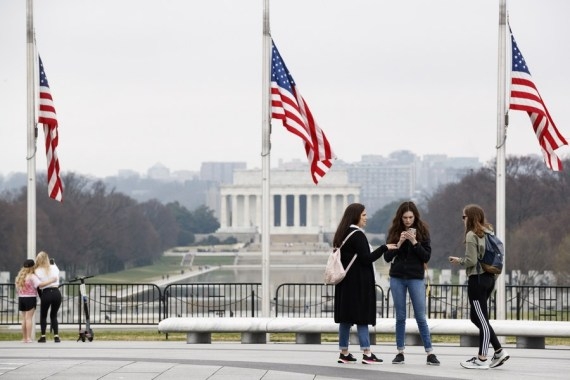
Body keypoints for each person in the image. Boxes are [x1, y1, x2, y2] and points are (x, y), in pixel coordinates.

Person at [333, 203, 397, 364]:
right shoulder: (357, 235)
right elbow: (366, 258)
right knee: (362, 317)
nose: (366, 218)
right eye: (363, 215)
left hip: (345, 282)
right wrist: (384, 248)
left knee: (346, 319)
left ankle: (344, 353)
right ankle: (367, 353)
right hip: (358, 283)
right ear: (355, 216)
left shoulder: (342, 233)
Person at [448, 204, 510, 369]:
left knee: (482, 320)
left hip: (477, 279)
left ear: (470, 217)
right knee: (476, 318)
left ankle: (482, 358)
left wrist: (458, 260)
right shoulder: (489, 232)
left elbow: (471, 261)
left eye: (464, 216)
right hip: (489, 279)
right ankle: (498, 351)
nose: (463, 220)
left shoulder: (471, 235)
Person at [383, 201, 440, 366]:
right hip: (397, 277)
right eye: (405, 218)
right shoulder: (394, 231)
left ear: (415, 217)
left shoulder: (422, 231)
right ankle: (400, 351)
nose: (408, 221)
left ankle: (430, 352)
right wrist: (399, 243)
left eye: (410, 217)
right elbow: (387, 258)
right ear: (400, 218)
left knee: (420, 316)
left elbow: (426, 257)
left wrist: (415, 242)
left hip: (415, 277)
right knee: (400, 317)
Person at [15, 259, 56, 343]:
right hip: (30, 298)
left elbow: (17, 288)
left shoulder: (19, 276)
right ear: (32, 267)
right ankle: (29, 338)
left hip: (21, 298)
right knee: (29, 319)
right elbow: (40, 285)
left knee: (24, 319)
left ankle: (24, 338)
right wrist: (52, 280)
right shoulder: (32, 276)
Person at [34, 251, 62, 343]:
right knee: (54, 315)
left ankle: (43, 336)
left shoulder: (37, 270)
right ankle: (56, 336)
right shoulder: (54, 267)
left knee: (43, 315)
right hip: (56, 292)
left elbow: (39, 285)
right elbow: (57, 276)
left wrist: (41, 296)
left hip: (46, 293)